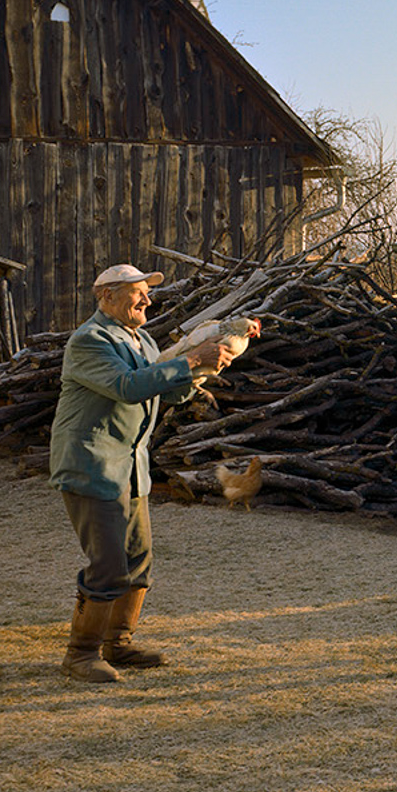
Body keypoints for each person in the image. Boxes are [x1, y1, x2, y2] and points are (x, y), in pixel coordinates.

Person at [50, 263, 232, 683]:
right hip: (92, 465)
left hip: (130, 468)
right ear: (107, 297)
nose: (147, 299)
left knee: (138, 561)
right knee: (109, 564)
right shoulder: (89, 341)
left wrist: (204, 367)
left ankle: (119, 643)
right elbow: (128, 386)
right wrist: (189, 359)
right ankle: (80, 654)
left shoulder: (143, 339)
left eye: (147, 292)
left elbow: (166, 389)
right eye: (138, 292)